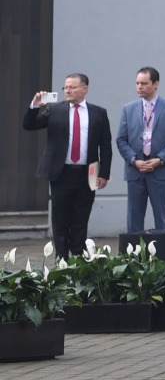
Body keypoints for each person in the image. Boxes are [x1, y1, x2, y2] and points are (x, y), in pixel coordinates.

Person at [23, 74, 112, 256]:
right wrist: (35, 107)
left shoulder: (98, 113)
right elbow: (29, 125)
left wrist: (104, 174)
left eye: (72, 87)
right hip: (61, 173)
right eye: (65, 88)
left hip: (87, 175)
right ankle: (61, 260)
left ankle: (79, 258)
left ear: (85, 88)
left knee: (81, 219)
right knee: (60, 220)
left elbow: (106, 145)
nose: (68, 91)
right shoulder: (54, 110)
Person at [115, 67, 165, 235]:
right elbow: (121, 140)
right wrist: (133, 160)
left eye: (144, 83)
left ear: (156, 84)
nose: (139, 87)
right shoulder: (128, 109)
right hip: (135, 170)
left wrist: (160, 160)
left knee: (161, 217)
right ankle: (133, 258)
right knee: (134, 217)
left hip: (159, 170)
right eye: (137, 83)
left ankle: (162, 256)